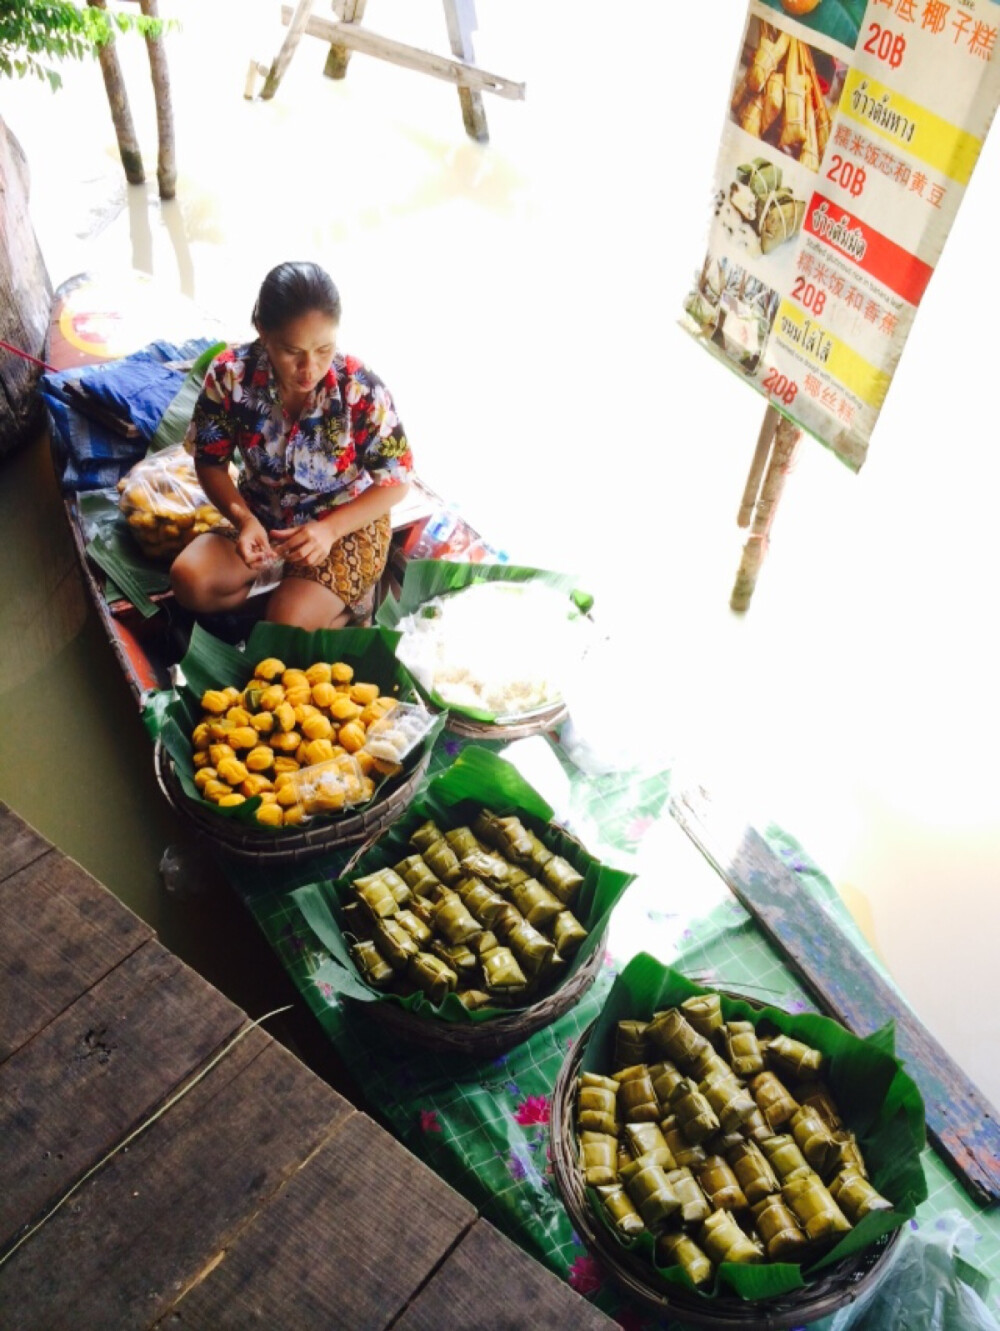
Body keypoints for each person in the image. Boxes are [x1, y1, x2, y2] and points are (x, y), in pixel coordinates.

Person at [170, 261, 412, 630]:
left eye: (323, 349)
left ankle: (346, 604)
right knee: (191, 581)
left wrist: (328, 531)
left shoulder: (359, 389)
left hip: (345, 521)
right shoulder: (230, 376)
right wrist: (244, 519)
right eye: (291, 351)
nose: (309, 368)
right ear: (263, 332)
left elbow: (397, 482)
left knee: (285, 623)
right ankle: (290, 586)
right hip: (262, 514)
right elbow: (211, 463)